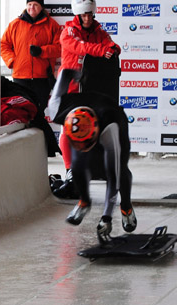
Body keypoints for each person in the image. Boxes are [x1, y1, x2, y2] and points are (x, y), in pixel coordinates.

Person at [48, 0, 120, 199]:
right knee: (67, 127)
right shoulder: (68, 31)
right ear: (78, 16)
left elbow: (109, 43)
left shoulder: (99, 31)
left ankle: (95, 168)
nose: (87, 18)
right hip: (68, 88)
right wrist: (101, 50)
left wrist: (113, 49)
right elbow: (81, 48)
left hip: (89, 87)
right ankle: (70, 169)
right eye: (84, 15)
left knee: (93, 126)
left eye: (90, 14)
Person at [53, 90, 137, 238]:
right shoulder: (59, 112)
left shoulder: (111, 130)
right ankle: (84, 202)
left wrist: (107, 218)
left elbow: (113, 177)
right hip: (84, 116)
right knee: (77, 166)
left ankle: (126, 208)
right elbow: (62, 78)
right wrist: (69, 74)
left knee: (119, 170)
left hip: (112, 120)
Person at [0, 0, 61, 115]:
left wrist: (42, 51)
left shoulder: (52, 25)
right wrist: (12, 61)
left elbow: (60, 48)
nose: (32, 7)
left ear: (41, 7)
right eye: (29, 4)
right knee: (22, 112)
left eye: (35, 5)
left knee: (39, 112)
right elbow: (3, 45)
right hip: (20, 78)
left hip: (42, 78)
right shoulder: (15, 24)